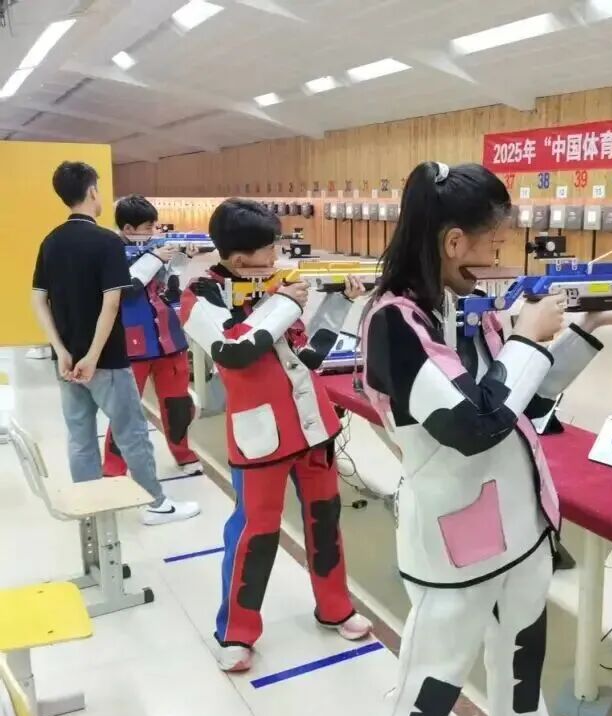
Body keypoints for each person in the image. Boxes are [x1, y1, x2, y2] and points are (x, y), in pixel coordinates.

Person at [361, 161, 612, 716]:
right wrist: (525, 337)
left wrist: (588, 327)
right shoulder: (396, 322)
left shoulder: (469, 308)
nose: (498, 258)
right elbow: (472, 426)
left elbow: (524, 401)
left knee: (520, 678)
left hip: (522, 532)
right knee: (428, 693)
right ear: (453, 243)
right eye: (493, 244)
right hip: (458, 546)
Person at [179, 198, 372, 672]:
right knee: (254, 533)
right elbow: (235, 350)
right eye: (270, 249)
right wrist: (284, 302)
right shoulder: (199, 296)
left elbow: (309, 356)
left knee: (324, 523)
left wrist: (338, 303)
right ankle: (236, 631)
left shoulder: (272, 286)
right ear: (239, 258)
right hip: (260, 436)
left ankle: (335, 607)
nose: (278, 257)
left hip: (313, 427)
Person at [30, 161, 200, 526]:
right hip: (106, 359)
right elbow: (111, 303)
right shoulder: (106, 241)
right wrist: (93, 355)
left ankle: (91, 508)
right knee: (133, 433)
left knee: (80, 437)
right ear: (92, 191)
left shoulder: (51, 241)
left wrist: (62, 351)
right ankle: (156, 505)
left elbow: (38, 299)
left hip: (67, 362)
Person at [102, 194, 201, 479]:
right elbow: (127, 286)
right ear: (128, 229)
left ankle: (183, 453)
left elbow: (169, 285)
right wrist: (154, 257)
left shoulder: (151, 249)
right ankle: (114, 467)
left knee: (178, 405)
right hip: (132, 344)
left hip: (169, 339)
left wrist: (181, 257)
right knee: (124, 409)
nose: (153, 232)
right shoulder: (110, 254)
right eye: (148, 227)